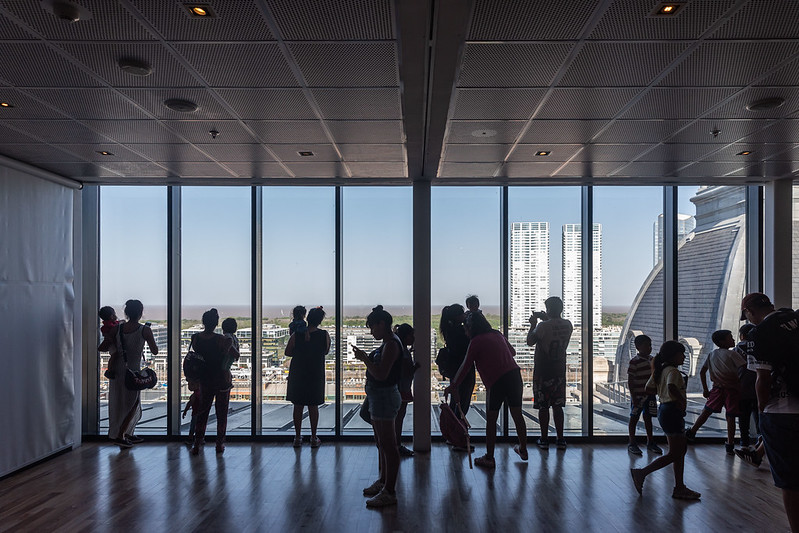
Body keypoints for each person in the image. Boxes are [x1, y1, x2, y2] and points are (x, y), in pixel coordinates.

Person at [741, 292, 799, 531]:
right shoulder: (795, 319)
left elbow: (762, 379)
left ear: (749, 312)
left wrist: (762, 407)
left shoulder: (759, 334)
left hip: (782, 413)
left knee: (791, 481)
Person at [444, 311, 528, 469]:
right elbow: (513, 352)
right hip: (514, 375)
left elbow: (465, 366)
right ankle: (523, 449)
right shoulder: (497, 334)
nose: (466, 332)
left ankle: (489, 457)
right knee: (517, 415)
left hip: (496, 381)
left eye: (466, 329)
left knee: (491, 420)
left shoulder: (476, 341)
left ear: (471, 328)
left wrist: (453, 385)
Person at [630, 340, 700, 500]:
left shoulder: (660, 370)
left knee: (679, 451)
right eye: (681, 354)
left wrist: (661, 391)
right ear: (673, 355)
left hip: (664, 410)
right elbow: (672, 387)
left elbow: (648, 388)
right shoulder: (674, 372)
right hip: (672, 410)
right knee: (677, 452)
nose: (683, 357)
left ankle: (680, 486)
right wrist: (681, 401)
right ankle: (642, 473)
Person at [352, 305, 402, 508]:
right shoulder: (389, 343)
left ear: (382, 324)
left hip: (384, 398)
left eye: (373, 327)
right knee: (383, 444)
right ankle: (383, 482)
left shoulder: (391, 345)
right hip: (379, 398)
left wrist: (365, 359)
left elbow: (381, 374)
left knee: (389, 446)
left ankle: (389, 490)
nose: (372, 332)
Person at [99, 299, 158, 448]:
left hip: (117, 370)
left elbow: (104, 347)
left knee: (119, 401)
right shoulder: (144, 330)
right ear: (141, 312)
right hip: (132, 369)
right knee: (133, 403)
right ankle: (121, 435)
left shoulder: (116, 329)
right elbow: (155, 350)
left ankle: (127, 432)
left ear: (126, 312)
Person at [685, 330, 745, 454]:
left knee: (706, 411)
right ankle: (730, 443)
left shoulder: (712, 354)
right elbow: (744, 368)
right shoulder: (732, 354)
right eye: (731, 337)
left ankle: (692, 432)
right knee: (731, 416)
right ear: (723, 341)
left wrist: (706, 389)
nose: (733, 339)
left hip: (716, 388)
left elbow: (702, 371)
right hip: (732, 389)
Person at [526, 296, 573, 450]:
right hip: (559, 370)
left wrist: (533, 324)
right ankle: (560, 439)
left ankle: (544, 438)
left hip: (543, 370)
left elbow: (530, 341)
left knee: (543, 406)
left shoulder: (542, 326)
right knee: (558, 406)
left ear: (548, 309)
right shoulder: (568, 325)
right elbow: (554, 326)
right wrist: (544, 318)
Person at [189, 308, 238, 455]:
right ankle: (219, 443)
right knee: (221, 413)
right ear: (216, 323)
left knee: (202, 412)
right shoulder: (221, 339)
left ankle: (197, 443)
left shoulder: (195, 338)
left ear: (203, 322)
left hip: (204, 378)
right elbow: (236, 354)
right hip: (221, 378)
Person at [285, 306, 330, 448]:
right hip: (315, 373)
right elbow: (326, 351)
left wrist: (300, 353)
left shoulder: (296, 335)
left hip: (298, 372)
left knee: (298, 406)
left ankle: (297, 437)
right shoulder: (324, 335)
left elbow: (287, 352)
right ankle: (313, 437)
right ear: (320, 321)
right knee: (313, 406)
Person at [437, 304, 475, 434]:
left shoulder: (449, 329)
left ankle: (454, 433)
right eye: (462, 314)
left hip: (455, 370)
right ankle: (457, 433)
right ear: (457, 316)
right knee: (462, 402)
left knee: (456, 401)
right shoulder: (459, 331)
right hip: (464, 369)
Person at [627, 334, 662, 455]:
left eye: (650, 345)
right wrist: (633, 396)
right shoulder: (634, 362)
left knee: (648, 417)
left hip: (649, 395)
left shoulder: (652, 360)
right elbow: (630, 381)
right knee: (635, 418)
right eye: (646, 345)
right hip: (638, 395)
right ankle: (632, 442)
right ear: (638, 347)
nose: (649, 348)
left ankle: (650, 441)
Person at [394, 323, 419, 457]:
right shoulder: (403, 352)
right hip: (403, 389)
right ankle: (397, 444)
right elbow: (406, 372)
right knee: (399, 418)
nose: (413, 338)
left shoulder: (401, 349)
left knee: (398, 418)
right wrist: (416, 367)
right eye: (411, 335)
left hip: (400, 388)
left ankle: (396, 444)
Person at [736, 323, 759, 450]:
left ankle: (744, 442)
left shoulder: (736, 350)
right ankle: (760, 442)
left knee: (743, 419)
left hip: (741, 389)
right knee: (759, 417)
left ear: (742, 336)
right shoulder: (759, 347)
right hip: (757, 388)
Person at [99, 306, 121, 380]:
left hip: (112, 343)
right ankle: (110, 370)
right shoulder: (109, 325)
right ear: (111, 316)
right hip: (112, 344)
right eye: (114, 314)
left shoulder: (109, 324)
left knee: (114, 355)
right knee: (114, 355)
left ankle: (110, 369)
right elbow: (114, 328)